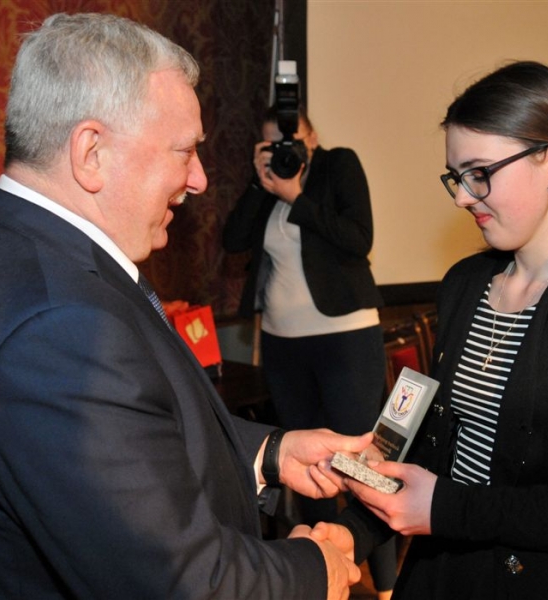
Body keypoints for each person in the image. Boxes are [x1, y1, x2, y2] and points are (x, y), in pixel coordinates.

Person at [0, 13, 371, 599]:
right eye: (185, 151)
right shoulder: (60, 328)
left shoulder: (7, 242)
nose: (199, 179)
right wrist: (315, 567)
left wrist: (269, 452)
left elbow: (123, 437)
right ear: (92, 152)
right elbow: (181, 582)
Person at [314, 61, 548, 599]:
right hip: (447, 575)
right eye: (456, 176)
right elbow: (428, 451)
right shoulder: (464, 284)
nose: (463, 197)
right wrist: (353, 532)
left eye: (479, 172)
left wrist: (448, 509)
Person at [223, 106, 397, 598]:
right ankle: (327, 572)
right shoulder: (266, 184)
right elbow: (232, 240)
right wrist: (261, 182)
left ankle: (387, 587)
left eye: (291, 137)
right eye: (270, 143)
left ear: (312, 136)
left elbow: (358, 239)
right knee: (311, 467)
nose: (283, 148)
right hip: (283, 344)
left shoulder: (337, 165)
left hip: (346, 336)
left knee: (362, 463)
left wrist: (296, 195)